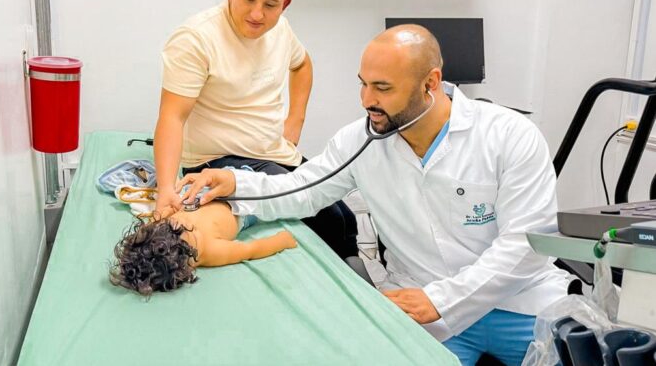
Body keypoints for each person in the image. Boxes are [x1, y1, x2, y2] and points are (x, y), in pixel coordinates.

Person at [176, 24, 570, 365]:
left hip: (519, 302)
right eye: (363, 84)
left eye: (382, 88)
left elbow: (525, 245)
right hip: (418, 303)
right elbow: (303, 189)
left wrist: (442, 300)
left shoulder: (509, 136)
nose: (367, 100)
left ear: (430, 83)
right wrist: (236, 183)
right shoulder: (360, 140)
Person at [152, 0, 358, 259]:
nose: (257, 14)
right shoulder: (196, 39)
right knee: (329, 221)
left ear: (284, 4)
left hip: (274, 152)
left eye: (270, 4)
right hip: (218, 160)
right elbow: (172, 117)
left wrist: (295, 121)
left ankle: (362, 284)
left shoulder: (281, 30)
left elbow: (302, 65)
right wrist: (167, 188)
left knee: (346, 218)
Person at [109, 201, 297, 296]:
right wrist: (281, 241)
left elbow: (165, 211)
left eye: (178, 224)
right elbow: (251, 250)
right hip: (245, 208)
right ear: (188, 267)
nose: (189, 223)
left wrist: (169, 209)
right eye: (192, 236)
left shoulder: (159, 231)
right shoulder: (210, 251)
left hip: (209, 190)